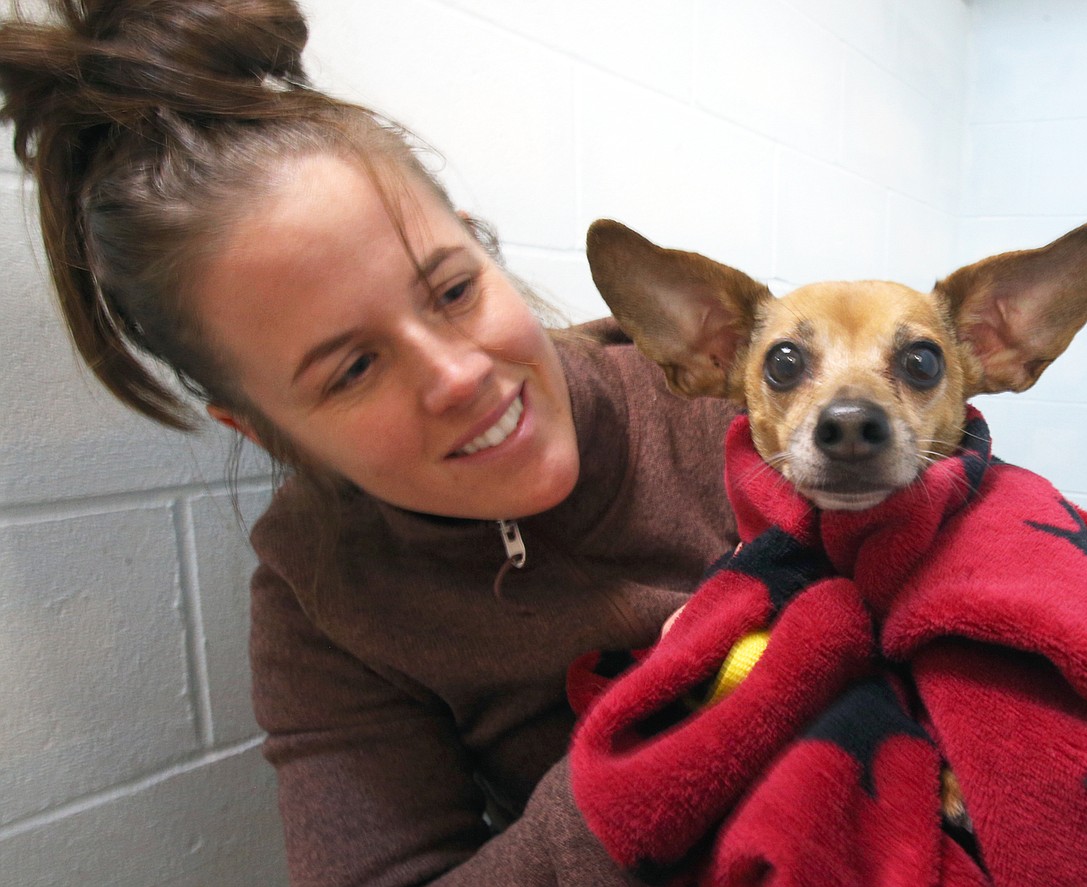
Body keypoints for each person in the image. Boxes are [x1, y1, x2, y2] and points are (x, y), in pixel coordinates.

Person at [0, 1, 738, 884]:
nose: (458, 376)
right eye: (352, 370)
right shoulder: (323, 599)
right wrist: (637, 776)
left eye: (453, 290)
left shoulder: (717, 392)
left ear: (478, 242)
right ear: (261, 428)